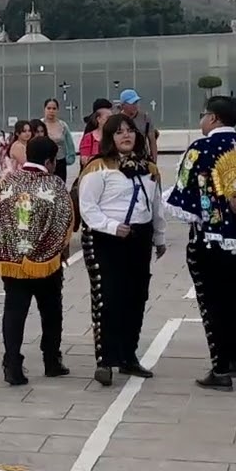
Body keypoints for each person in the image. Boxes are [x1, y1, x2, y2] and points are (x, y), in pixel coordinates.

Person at [167, 95, 236, 391]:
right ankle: (232, 359)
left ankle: (220, 367)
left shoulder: (200, 148)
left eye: (204, 115)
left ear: (213, 118)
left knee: (210, 300)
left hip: (207, 238)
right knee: (229, 297)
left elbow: (183, 196)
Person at [77, 114, 167, 387]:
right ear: (110, 138)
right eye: (119, 132)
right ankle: (104, 360)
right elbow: (88, 207)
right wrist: (111, 226)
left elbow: (156, 205)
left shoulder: (149, 168)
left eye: (130, 131)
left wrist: (160, 237)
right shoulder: (98, 167)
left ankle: (128, 355)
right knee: (108, 297)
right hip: (106, 238)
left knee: (136, 297)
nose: (126, 136)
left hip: (139, 238)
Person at [0, 136, 73, 386]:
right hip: (45, 262)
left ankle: (12, 363)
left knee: (14, 312)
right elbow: (64, 222)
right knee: (51, 311)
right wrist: (57, 250)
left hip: (12, 261)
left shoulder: (8, 181)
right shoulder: (54, 184)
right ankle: (51, 360)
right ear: (49, 161)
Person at [118, 89, 158, 162]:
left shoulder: (145, 118)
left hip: (142, 157)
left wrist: (154, 161)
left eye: (136, 102)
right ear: (123, 105)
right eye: (132, 103)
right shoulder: (116, 119)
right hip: (122, 158)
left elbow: (152, 141)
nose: (135, 105)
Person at [40, 99, 76, 181]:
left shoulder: (63, 125)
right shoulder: (40, 124)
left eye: (54, 108)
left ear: (57, 110)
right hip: (43, 162)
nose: (51, 111)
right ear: (44, 109)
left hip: (60, 162)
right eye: (48, 108)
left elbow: (69, 143)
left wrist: (70, 158)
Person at [78, 100, 113, 165]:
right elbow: (84, 160)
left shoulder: (114, 135)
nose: (111, 121)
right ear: (98, 119)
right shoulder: (89, 136)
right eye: (107, 118)